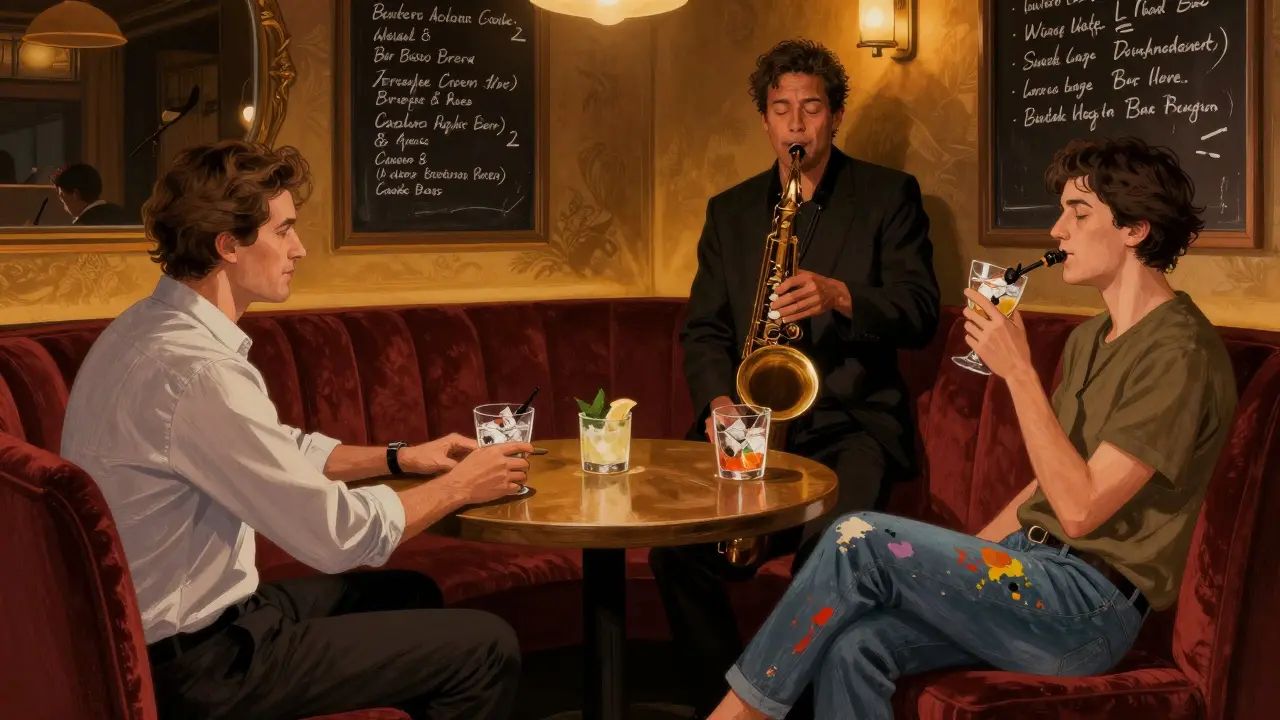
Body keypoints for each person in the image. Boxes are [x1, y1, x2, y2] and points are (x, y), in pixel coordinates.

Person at [704, 136, 1239, 720]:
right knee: (856, 647)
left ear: (1135, 228)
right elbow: (1045, 489)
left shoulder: (1179, 351)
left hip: (1086, 609)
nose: (1057, 232)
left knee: (856, 535)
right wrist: (960, 557)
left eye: (1078, 213)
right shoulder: (1092, 337)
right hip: (1027, 572)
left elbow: (1081, 510)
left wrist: (1018, 372)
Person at [60, 140, 532, 720]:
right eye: (284, 231)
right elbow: (336, 539)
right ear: (228, 245)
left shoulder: (146, 328)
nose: (299, 248)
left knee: (409, 594)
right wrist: (463, 486)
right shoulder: (200, 373)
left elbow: (276, 450)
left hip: (181, 627)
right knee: (488, 648)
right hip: (200, 669)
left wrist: (400, 459)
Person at [651, 38, 941, 717]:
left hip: (851, 426)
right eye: (782, 110)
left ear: (835, 117)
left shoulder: (887, 195)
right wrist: (720, 399)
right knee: (677, 553)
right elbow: (705, 329)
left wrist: (843, 296)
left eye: (811, 108)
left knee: (826, 559)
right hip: (753, 426)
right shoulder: (731, 211)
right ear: (766, 121)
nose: (797, 124)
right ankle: (721, 704)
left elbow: (921, 312)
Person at [53, 162, 133, 224]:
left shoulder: (80, 229)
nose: (64, 207)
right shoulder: (122, 214)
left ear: (76, 194)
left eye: (63, 198)